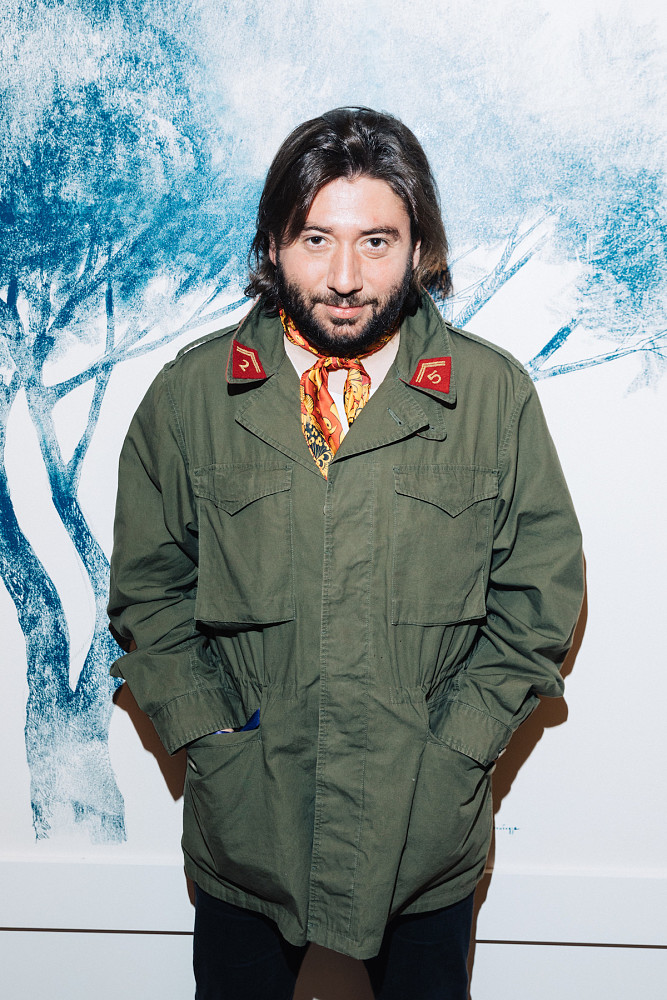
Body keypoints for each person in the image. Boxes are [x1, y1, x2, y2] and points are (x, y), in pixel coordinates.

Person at [108, 107, 584, 999]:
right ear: (273, 244)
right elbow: (149, 590)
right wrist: (209, 735)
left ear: (419, 248)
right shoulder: (190, 396)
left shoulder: (491, 395)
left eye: (376, 241)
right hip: (249, 833)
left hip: (423, 834)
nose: (343, 277)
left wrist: (460, 748)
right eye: (315, 238)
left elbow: (537, 597)